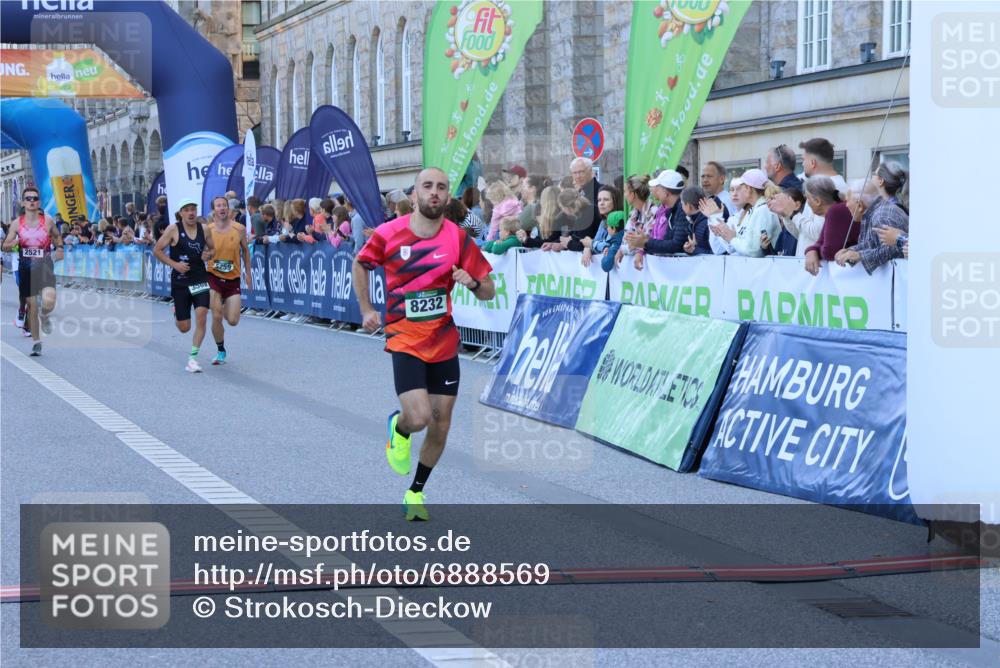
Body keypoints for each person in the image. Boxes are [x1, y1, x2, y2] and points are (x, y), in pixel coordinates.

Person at [353, 167, 495, 521]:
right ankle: (398, 427)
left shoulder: (458, 239)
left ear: (448, 197)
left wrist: (473, 284)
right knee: (418, 417)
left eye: (441, 188)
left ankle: (415, 492)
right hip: (404, 336)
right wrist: (367, 308)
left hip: (444, 340)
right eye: (427, 187)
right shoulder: (389, 234)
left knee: (441, 423)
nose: (434, 192)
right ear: (414, 195)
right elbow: (361, 263)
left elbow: (489, 289)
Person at [154, 197, 216, 372]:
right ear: (181, 213)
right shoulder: (173, 229)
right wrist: (175, 265)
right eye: (187, 210)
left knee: (202, 317)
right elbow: (157, 251)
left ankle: (193, 359)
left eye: (193, 209)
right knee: (184, 327)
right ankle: (177, 312)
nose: (191, 213)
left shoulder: (204, 229)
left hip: (199, 278)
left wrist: (208, 255)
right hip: (180, 282)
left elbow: (213, 249)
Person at [2, 186, 63, 356]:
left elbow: (57, 235)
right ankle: (36, 342)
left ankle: (45, 315)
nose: (31, 201)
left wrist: (60, 248)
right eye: (28, 198)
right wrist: (13, 243)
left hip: (44, 266)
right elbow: (4, 246)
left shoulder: (48, 220)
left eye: (34, 198)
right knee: (32, 306)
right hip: (26, 268)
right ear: (23, 202)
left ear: (39, 202)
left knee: (49, 302)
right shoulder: (16, 223)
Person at [834, 165, 909, 273]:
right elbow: (873, 243)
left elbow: (894, 249)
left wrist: (860, 255)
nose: (846, 205)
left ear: (859, 205)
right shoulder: (877, 211)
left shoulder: (882, 214)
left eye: (847, 201)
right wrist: (852, 251)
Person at [205, 196, 252, 365]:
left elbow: (246, 251)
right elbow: (202, 252)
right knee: (216, 316)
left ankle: (225, 305)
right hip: (213, 277)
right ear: (214, 210)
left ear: (228, 209)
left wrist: (248, 274)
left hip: (233, 279)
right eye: (218, 206)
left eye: (224, 205)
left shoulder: (239, 228)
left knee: (232, 321)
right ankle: (220, 350)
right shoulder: (207, 229)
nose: (222, 208)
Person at [706, 168, 781, 257]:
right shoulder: (754, 210)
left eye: (741, 188)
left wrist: (732, 238)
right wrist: (726, 234)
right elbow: (744, 244)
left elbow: (753, 251)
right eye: (732, 189)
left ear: (749, 188)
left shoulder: (763, 210)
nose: (737, 192)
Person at [625, 169, 688, 260]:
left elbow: (676, 245)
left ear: (666, 193)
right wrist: (644, 244)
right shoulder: (670, 210)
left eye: (658, 188)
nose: (654, 191)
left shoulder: (682, 210)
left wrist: (645, 242)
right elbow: (666, 242)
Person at [802, 176, 859, 275]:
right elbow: (821, 242)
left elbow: (829, 252)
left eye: (808, 198)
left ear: (818, 201)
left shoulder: (836, 211)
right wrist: (811, 250)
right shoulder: (836, 209)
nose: (807, 202)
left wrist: (814, 251)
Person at [615, 175, 657, 269]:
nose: (624, 195)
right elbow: (627, 241)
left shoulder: (654, 212)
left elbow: (644, 243)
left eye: (625, 191)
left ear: (633, 194)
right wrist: (622, 249)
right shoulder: (633, 214)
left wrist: (625, 249)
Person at [581, 185, 622, 267]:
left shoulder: (620, 220)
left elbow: (609, 247)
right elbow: (597, 242)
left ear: (615, 202)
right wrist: (587, 248)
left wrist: (591, 244)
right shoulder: (603, 222)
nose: (601, 203)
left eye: (606, 200)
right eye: (599, 200)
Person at [518, 185, 561, 249]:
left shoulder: (559, 218)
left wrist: (527, 240)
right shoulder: (548, 218)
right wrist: (526, 239)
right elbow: (541, 240)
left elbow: (546, 242)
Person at [570, 157, 603, 239]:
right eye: (575, 173)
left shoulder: (602, 191)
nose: (578, 176)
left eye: (581, 172)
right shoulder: (578, 192)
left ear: (590, 171)